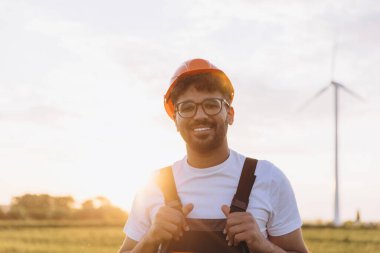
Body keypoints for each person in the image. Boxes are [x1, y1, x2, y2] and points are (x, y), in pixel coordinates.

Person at [118, 58, 309, 253]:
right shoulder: (153, 185)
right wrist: (150, 239)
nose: (199, 115)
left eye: (211, 104)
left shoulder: (268, 178)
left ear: (230, 114)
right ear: (175, 120)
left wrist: (261, 244)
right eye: (187, 107)